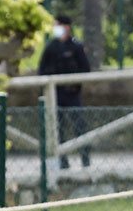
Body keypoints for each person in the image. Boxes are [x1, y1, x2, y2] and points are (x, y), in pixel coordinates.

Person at [37, 15, 92, 169]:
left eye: (58, 25)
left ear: (67, 27)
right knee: (58, 129)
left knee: (79, 126)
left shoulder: (76, 46)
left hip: (73, 93)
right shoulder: (51, 47)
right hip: (56, 94)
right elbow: (42, 70)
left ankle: (85, 158)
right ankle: (62, 161)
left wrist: (75, 82)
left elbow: (85, 69)